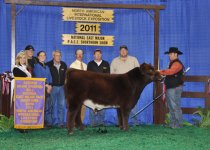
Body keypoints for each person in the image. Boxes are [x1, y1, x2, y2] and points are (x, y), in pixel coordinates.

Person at [111, 45, 140, 126]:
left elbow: (139, 73)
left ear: (127, 51)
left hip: (131, 87)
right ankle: (120, 123)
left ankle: (135, 122)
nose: (123, 51)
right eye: (121, 50)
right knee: (118, 105)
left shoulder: (134, 60)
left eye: (125, 50)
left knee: (132, 104)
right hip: (119, 87)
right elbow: (112, 75)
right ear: (119, 52)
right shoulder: (114, 61)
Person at [159, 47, 184, 129]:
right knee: (171, 106)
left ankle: (177, 124)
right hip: (171, 87)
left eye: (170, 54)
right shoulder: (173, 63)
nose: (169, 55)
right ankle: (173, 123)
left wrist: (160, 71)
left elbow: (171, 71)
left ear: (175, 54)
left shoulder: (177, 64)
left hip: (174, 87)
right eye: (169, 54)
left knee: (174, 106)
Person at [87, 49, 110, 133]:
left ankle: (101, 122)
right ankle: (93, 123)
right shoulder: (90, 64)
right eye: (96, 54)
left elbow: (108, 76)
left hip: (103, 88)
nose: (98, 55)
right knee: (91, 104)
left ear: (101, 55)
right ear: (94, 55)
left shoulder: (106, 64)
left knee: (102, 105)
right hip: (92, 88)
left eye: (99, 54)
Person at [46, 50, 67, 128]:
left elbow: (66, 76)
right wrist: (48, 85)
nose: (58, 57)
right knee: (50, 105)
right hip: (52, 87)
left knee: (61, 105)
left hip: (62, 87)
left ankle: (61, 123)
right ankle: (49, 123)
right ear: (53, 56)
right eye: (57, 55)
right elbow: (46, 76)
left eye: (59, 55)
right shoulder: (48, 65)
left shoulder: (64, 64)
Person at [13, 50, 31, 133]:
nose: (23, 60)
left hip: (27, 91)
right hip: (20, 91)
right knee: (20, 108)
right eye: (22, 58)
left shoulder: (26, 68)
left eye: (24, 58)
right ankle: (20, 126)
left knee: (26, 108)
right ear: (18, 59)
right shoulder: (16, 68)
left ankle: (25, 125)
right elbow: (22, 76)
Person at [33, 51, 53, 127]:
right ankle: (41, 123)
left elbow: (50, 77)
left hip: (48, 88)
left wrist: (50, 85)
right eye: (41, 55)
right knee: (41, 106)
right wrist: (47, 86)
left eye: (44, 55)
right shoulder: (37, 66)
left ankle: (48, 122)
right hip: (40, 89)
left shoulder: (47, 66)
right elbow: (39, 78)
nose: (42, 57)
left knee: (48, 106)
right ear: (38, 57)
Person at [69, 49, 87, 123]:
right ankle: (73, 122)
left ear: (82, 55)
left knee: (83, 106)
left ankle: (80, 122)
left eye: (81, 54)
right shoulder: (72, 65)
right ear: (75, 55)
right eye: (78, 54)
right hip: (76, 89)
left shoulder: (85, 65)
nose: (79, 55)